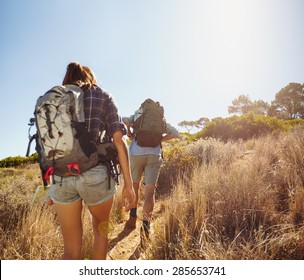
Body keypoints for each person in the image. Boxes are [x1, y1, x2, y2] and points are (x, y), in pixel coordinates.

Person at [49, 62, 135, 260]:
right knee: (100, 231)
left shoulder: (55, 100)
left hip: (62, 176)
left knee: (70, 250)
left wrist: (48, 186)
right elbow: (119, 141)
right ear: (90, 77)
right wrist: (129, 185)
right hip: (95, 173)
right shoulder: (103, 95)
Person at [123, 102, 179, 243]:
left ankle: (132, 219)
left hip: (136, 153)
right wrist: (160, 138)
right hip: (154, 155)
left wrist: (130, 132)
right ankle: (146, 228)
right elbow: (175, 133)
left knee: (134, 187)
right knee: (149, 193)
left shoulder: (138, 115)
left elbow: (123, 120)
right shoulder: (161, 120)